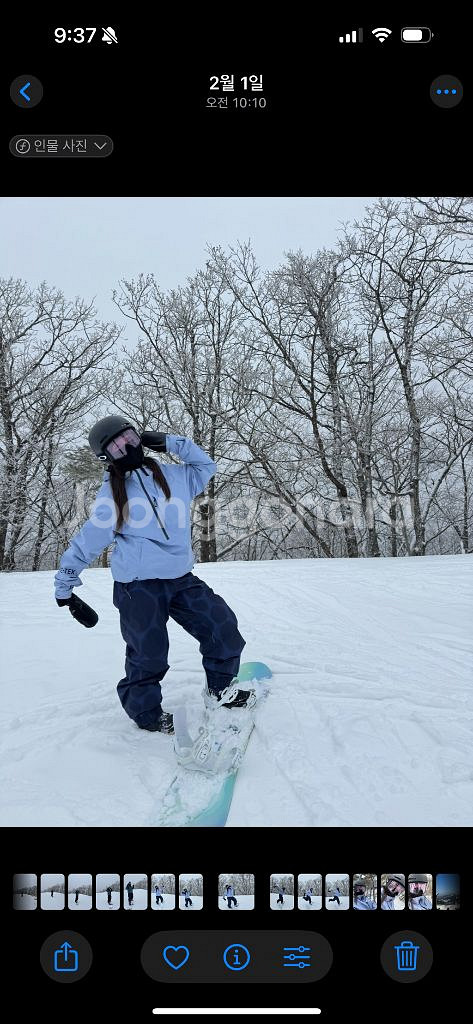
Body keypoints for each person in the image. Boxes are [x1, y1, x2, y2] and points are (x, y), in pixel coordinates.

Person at [54, 418, 250, 750]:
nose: (129, 447)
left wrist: (172, 442)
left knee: (222, 627)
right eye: (118, 446)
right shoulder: (111, 498)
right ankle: (145, 713)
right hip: (138, 586)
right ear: (107, 457)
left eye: (131, 437)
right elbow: (86, 543)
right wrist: (65, 586)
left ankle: (221, 688)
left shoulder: (175, 476)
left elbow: (206, 465)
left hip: (180, 578)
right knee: (149, 654)